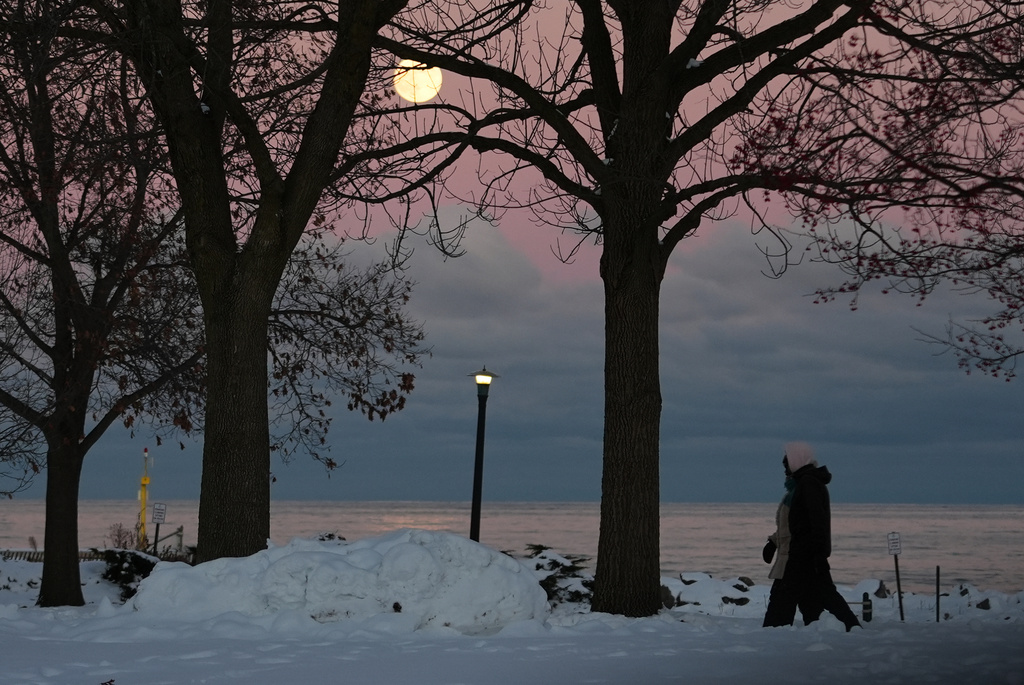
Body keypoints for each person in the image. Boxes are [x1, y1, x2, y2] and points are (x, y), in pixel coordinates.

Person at [762, 441, 862, 631]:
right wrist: (773, 542)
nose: (784, 467)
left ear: (796, 461)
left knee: (785, 605)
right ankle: (841, 629)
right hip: (798, 556)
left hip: (802, 557)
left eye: (787, 462)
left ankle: (850, 630)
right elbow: (790, 525)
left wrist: (817, 554)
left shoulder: (808, 485)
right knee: (816, 603)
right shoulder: (798, 486)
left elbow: (817, 522)